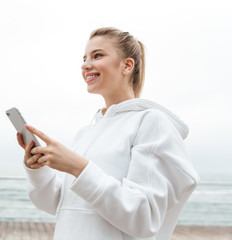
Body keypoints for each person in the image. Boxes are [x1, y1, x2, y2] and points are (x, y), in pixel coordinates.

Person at [16, 27, 200, 240]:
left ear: (127, 65)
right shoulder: (85, 132)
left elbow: (144, 217)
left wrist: (78, 167)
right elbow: (54, 204)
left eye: (97, 55)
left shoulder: (151, 123)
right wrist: (37, 170)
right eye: (84, 58)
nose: (85, 64)